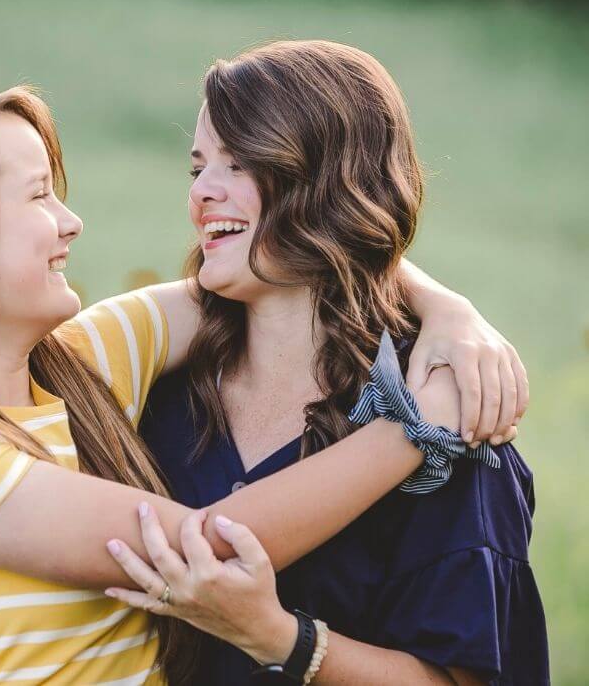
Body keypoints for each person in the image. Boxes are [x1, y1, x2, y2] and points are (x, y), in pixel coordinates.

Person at [0, 85, 524, 686]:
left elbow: (308, 246)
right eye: (39, 196)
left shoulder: (85, 365)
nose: (71, 222)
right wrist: (418, 428)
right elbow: (195, 556)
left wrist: (452, 315)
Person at [99, 40, 548, 685]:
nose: (202, 193)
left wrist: (282, 638)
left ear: (331, 180)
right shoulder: (152, 389)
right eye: (197, 167)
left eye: (239, 162)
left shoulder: (455, 420)